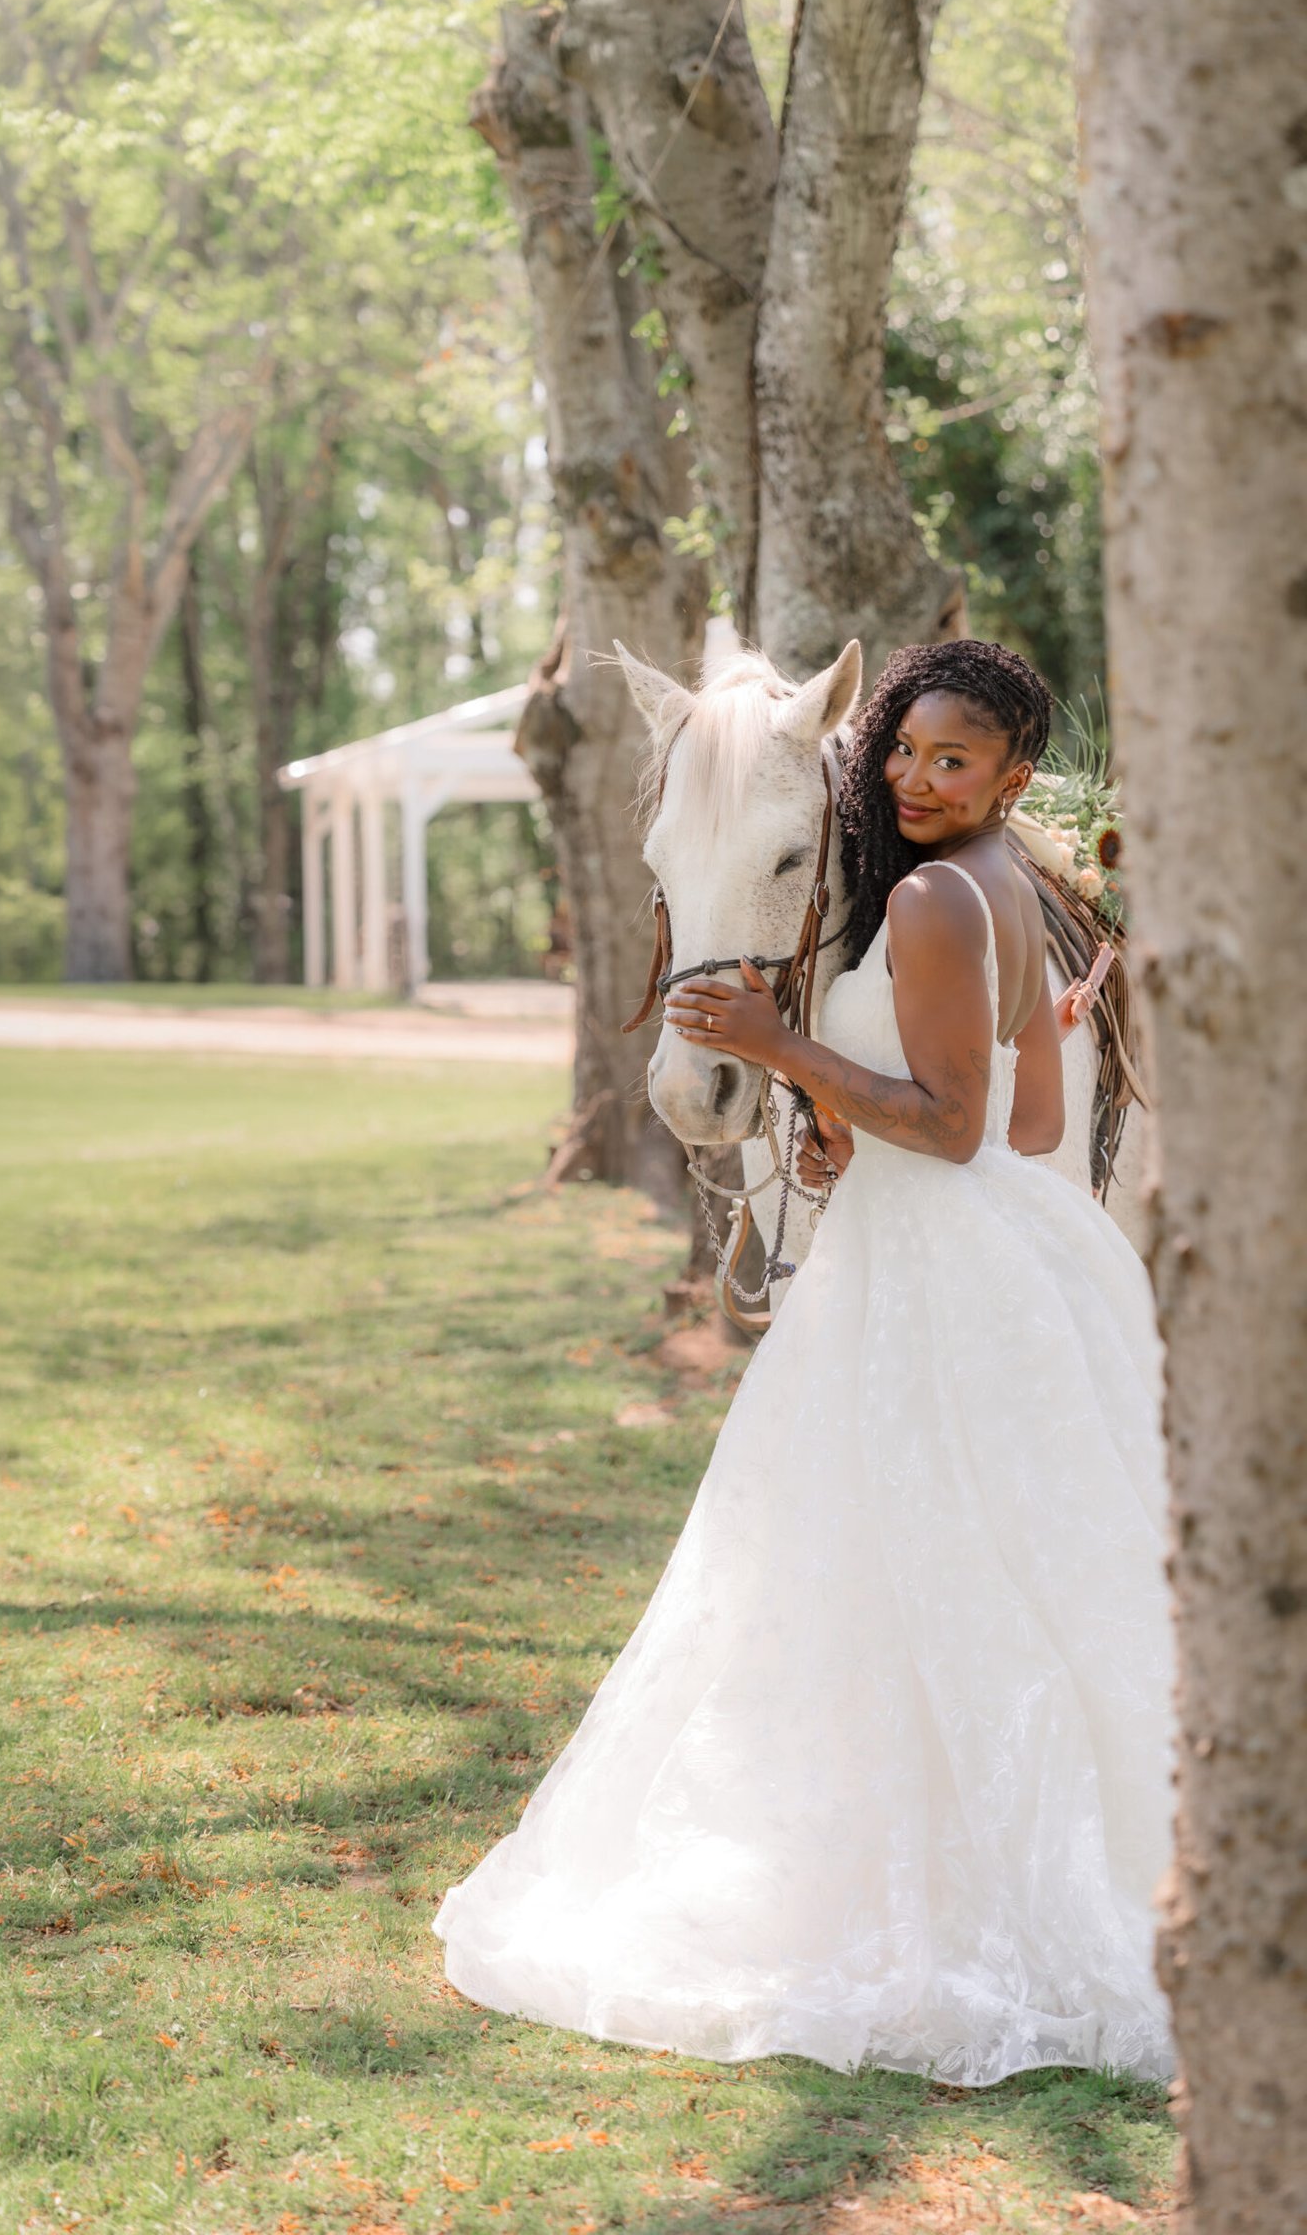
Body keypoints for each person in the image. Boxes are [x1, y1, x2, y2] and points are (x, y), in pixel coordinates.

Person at [430, 639, 1176, 2087]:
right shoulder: (1007, 892)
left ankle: (916, 1887)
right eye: (904, 750)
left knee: (857, 1566)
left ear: (1011, 779)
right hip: (996, 1249)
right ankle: (965, 1849)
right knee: (982, 1568)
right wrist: (853, 1123)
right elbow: (1024, 1137)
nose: (909, 775)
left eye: (950, 763)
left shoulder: (941, 901)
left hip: (932, 1276)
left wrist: (789, 1047)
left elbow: (953, 1129)